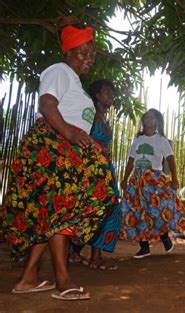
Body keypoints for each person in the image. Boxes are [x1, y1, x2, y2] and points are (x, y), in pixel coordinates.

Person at [1, 18, 116, 300]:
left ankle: (28, 277)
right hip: (52, 147)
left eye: (91, 53)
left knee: (53, 215)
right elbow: (47, 105)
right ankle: (63, 280)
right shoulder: (59, 71)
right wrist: (70, 133)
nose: (88, 58)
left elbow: (76, 121)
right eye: (82, 52)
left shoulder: (74, 80)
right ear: (68, 52)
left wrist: (87, 144)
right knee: (62, 210)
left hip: (65, 148)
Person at [120, 109, 185, 258]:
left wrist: (174, 179)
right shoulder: (138, 140)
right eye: (146, 117)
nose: (149, 119)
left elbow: (171, 160)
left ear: (157, 122)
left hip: (154, 179)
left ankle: (165, 236)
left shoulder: (161, 140)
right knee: (137, 211)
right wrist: (125, 178)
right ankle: (144, 247)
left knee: (158, 210)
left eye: (152, 117)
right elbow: (131, 161)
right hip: (137, 180)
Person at [69, 80, 121, 270]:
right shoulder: (91, 115)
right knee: (102, 208)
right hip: (93, 168)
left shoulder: (102, 117)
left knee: (105, 208)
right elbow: (79, 135)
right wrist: (98, 148)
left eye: (111, 93)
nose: (110, 96)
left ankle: (83, 254)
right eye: (106, 92)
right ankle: (86, 255)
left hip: (103, 167)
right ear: (97, 96)